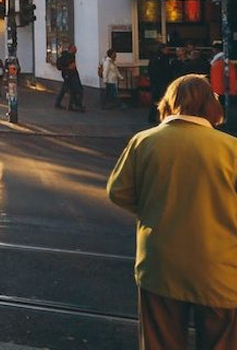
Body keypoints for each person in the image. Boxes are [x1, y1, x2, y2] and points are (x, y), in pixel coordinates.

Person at [106, 75, 237, 350]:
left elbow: (118, 192)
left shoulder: (144, 142)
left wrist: (155, 206)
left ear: (167, 103)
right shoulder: (230, 149)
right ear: (211, 106)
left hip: (160, 266)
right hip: (221, 270)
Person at [147, 45, 177, 124]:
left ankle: (152, 117)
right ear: (162, 49)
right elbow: (166, 70)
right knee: (163, 100)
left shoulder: (154, 58)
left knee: (155, 100)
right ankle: (163, 116)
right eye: (167, 49)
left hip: (155, 83)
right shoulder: (164, 59)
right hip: (162, 82)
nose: (168, 51)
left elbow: (150, 69)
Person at [54, 44, 84, 112]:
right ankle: (75, 105)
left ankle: (68, 105)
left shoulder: (72, 56)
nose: (76, 50)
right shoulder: (65, 57)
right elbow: (59, 66)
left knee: (67, 90)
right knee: (76, 90)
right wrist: (67, 68)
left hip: (72, 75)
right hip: (68, 75)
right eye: (74, 48)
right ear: (71, 49)